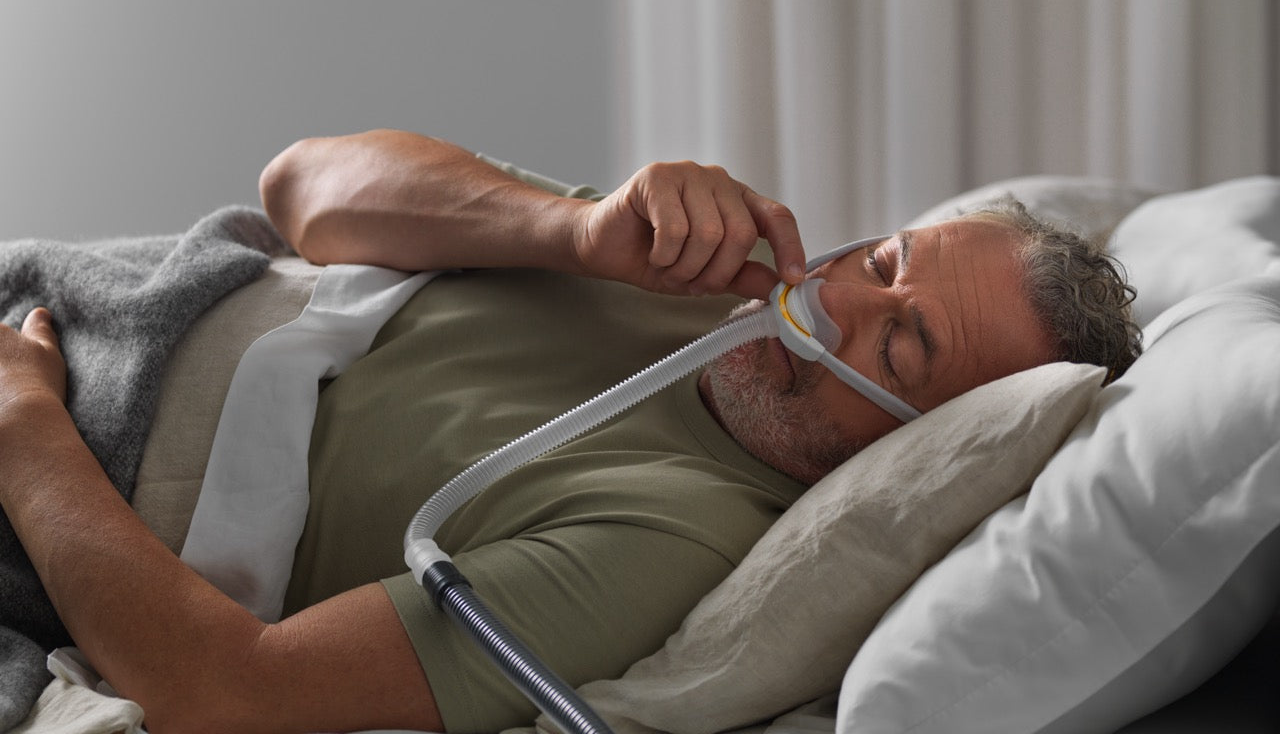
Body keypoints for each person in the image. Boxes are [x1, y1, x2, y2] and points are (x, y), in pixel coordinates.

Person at [0, 130, 1140, 734]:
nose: (836, 303)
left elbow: (222, 692)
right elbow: (303, 187)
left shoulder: (668, 541)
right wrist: (569, 227)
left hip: (62, 456)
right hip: (97, 290)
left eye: (899, 350)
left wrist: (24, 428)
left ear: (912, 441)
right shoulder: (676, 263)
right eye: (881, 263)